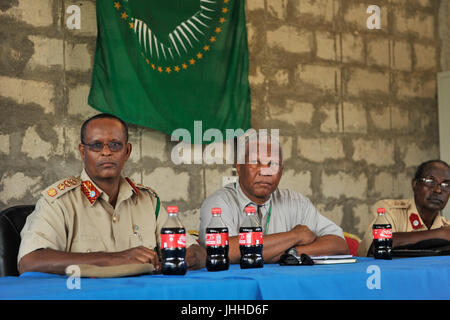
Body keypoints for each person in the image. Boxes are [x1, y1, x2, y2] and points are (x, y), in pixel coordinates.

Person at [18, 113, 206, 274]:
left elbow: (196, 250)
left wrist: (189, 257)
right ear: (83, 152)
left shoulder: (147, 201)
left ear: (127, 151)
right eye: (96, 146)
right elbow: (30, 261)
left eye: (115, 145)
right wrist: (113, 259)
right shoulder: (59, 202)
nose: (106, 153)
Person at [199, 131, 349, 263]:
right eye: (255, 162)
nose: (265, 172)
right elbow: (227, 251)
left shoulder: (296, 202)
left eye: (273, 164)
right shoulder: (219, 203)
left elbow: (338, 244)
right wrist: (295, 235)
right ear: (239, 167)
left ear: (281, 171)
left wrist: (290, 253)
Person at [358, 160, 450, 256]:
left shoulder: (446, 226)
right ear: (415, 184)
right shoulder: (389, 210)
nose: (438, 190)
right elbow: (377, 246)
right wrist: (440, 234)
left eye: (446, 185)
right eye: (430, 181)